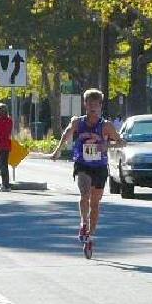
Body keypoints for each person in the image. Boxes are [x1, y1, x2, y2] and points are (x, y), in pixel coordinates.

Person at [51, 88, 122, 248]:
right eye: (90, 104)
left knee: (95, 204)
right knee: (84, 194)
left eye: (96, 105)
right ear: (85, 105)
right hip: (82, 164)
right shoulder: (78, 122)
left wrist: (107, 145)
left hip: (100, 167)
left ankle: (91, 235)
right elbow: (67, 134)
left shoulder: (106, 126)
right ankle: (84, 222)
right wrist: (57, 150)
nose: (93, 108)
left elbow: (121, 142)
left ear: (100, 106)